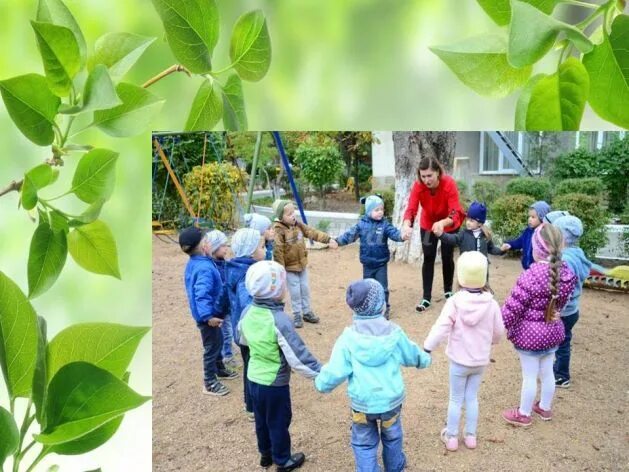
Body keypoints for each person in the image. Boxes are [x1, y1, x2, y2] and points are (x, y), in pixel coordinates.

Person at [315, 279, 431, 472]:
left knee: (363, 443)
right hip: (390, 401)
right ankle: (395, 467)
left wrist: (321, 383)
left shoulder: (347, 339)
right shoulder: (394, 333)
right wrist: (424, 359)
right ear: (381, 305)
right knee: (392, 436)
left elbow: (334, 370)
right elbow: (413, 354)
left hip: (363, 403)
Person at [239, 261, 321, 472]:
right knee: (278, 421)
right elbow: (298, 355)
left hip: (253, 378)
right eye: (283, 285)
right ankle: (283, 460)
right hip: (274, 383)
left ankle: (265, 455)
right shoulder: (279, 320)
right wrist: (320, 373)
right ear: (274, 290)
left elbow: (240, 337)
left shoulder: (247, 310)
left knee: (261, 420)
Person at [423, 251, 504, 451]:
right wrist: (491, 341)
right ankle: (470, 436)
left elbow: (441, 327)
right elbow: (499, 331)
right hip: (479, 361)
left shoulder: (455, 302)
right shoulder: (491, 303)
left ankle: (451, 437)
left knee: (455, 398)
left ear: (460, 275)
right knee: (472, 397)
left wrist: (427, 347)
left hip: (459, 361)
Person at [501, 224, 577, 426]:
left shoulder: (530, 275)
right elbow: (564, 302)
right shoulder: (567, 273)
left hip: (529, 336)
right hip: (552, 332)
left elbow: (513, 308)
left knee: (529, 376)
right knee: (547, 372)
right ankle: (544, 407)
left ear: (537, 249)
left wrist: (498, 327)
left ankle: (524, 414)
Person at [401, 157, 465, 313]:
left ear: (438, 173)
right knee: (428, 257)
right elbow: (411, 208)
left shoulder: (448, 183)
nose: (426, 180)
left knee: (447, 256)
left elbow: (455, 211)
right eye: (423, 176)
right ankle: (426, 297)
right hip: (428, 225)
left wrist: (442, 223)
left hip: (448, 225)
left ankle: (448, 290)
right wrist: (406, 224)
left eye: (429, 175)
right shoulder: (418, 186)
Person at [180, 227, 238, 397]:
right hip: (208, 318)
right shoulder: (204, 268)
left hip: (212, 314)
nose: (208, 243)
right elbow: (201, 295)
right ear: (204, 246)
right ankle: (209, 382)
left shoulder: (198, 262)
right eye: (206, 240)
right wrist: (208, 317)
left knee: (218, 342)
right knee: (212, 348)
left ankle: (219, 369)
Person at [335, 195, 409, 318]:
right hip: (367, 263)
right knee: (368, 288)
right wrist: (337, 241)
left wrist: (402, 236)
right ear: (369, 211)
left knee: (383, 288)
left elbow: (394, 233)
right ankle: (370, 307)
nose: (380, 212)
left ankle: (384, 308)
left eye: (382, 209)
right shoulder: (361, 225)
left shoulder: (385, 224)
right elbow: (350, 235)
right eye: (376, 210)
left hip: (381, 263)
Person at [272, 199, 339, 328]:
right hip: (289, 268)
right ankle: (297, 313)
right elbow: (277, 251)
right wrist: (280, 270)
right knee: (295, 292)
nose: (293, 216)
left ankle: (307, 312)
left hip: (302, 265)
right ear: (281, 217)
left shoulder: (298, 225)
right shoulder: (278, 230)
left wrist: (328, 239)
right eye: (289, 214)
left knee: (305, 289)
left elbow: (311, 232)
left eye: (293, 212)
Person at [225, 228, 267, 419]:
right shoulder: (247, 274)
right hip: (250, 333)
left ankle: (249, 404)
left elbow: (223, 297)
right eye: (262, 246)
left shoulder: (233, 268)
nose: (265, 250)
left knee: (249, 366)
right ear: (251, 251)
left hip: (239, 330)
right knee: (254, 368)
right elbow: (249, 305)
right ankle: (254, 407)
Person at [552, 215, 592, 388]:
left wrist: (558, 308)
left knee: (562, 343)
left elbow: (564, 289)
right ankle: (557, 369)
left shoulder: (566, 260)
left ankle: (561, 375)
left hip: (565, 310)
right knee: (563, 339)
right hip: (573, 309)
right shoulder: (578, 253)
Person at [434, 201, 505, 267]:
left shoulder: (485, 236)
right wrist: (441, 234)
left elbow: (491, 249)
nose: (468, 222)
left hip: (481, 271)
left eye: (471, 221)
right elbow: (452, 239)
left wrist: (501, 250)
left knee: (481, 281)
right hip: (466, 270)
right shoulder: (463, 234)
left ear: (480, 223)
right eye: (467, 219)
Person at [205, 229, 239, 368]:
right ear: (214, 248)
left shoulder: (224, 263)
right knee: (226, 331)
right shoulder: (211, 266)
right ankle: (227, 356)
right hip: (219, 307)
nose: (226, 248)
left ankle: (226, 352)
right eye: (223, 246)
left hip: (227, 304)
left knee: (228, 330)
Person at [500, 201, 551, 270]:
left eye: (533, 217)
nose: (529, 219)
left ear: (542, 218)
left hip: (539, 270)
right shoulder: (528, 231)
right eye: (529, 216)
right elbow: (520, 241)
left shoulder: (544, 234)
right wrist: (510, 245)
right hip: (527, 268)